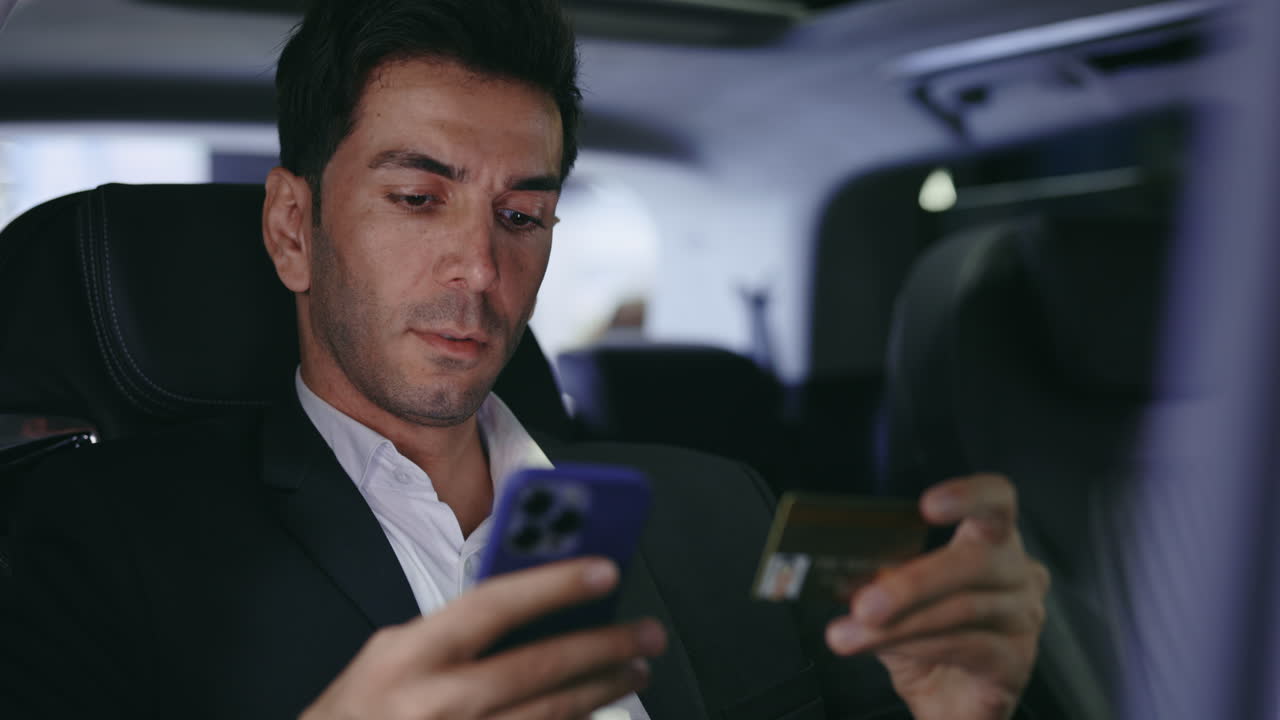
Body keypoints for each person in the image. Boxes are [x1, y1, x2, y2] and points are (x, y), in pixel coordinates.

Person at [0, 1, 1049, 718]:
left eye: (523, 213)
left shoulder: (720, 507)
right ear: (290, 229)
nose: (477, 267)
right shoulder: (95, 540)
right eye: (417, 199)